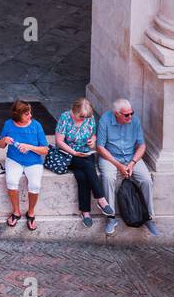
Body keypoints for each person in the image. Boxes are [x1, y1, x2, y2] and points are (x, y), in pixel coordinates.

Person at [96, 98, 158, 237]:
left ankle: (149, 217)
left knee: (146, 179)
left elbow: (142, 145)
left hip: (131, 157)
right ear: (117, 114)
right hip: (110, 158)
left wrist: (132, 163)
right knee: (108, 177)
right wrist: (118, 166)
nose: (130, 116)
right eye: (126, 115)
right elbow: (100, 147)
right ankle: (110, 218)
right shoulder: (105, 120)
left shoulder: (134, 121)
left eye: (131, 113)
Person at [54, 97, 113, 227]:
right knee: (88, 166)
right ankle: (101, 199)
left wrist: (93, 139)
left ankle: (85, 212)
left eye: (86, 117)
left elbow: (93, 134)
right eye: (81, 117)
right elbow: (59, 141)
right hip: (68, 153)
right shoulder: (65, 118)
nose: (84, 119)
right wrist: (74, 152)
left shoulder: (89, 117)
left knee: (82, 176)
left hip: (86, 152)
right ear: (74, 112)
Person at [0, 100, 49, 230]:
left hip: (33, 161)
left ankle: (31, 212)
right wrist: (5, 140)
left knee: (35, 185)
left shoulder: (36, 126)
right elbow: (1, 144)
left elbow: (45, 149)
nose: (30, 116)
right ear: (18, 115)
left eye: (30, 113)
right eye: (26, 114)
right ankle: (16, 211)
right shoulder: (8, 124)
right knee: (11, 181)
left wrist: (30, 147)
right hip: (14, 159)